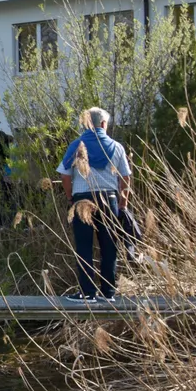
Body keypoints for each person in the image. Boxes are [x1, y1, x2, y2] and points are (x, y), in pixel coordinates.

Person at [57, 107, 131, 303]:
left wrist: (70, 197)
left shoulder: (76, 146)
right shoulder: (117, 147)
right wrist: (122, 204)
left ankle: (87, 293)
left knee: (84, 247)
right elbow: (125, 178)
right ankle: (108, 293)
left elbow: (64, 175)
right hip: (109, 200)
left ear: (86, 124)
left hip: (82, 199)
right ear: (104, 124)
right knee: (109, 247)